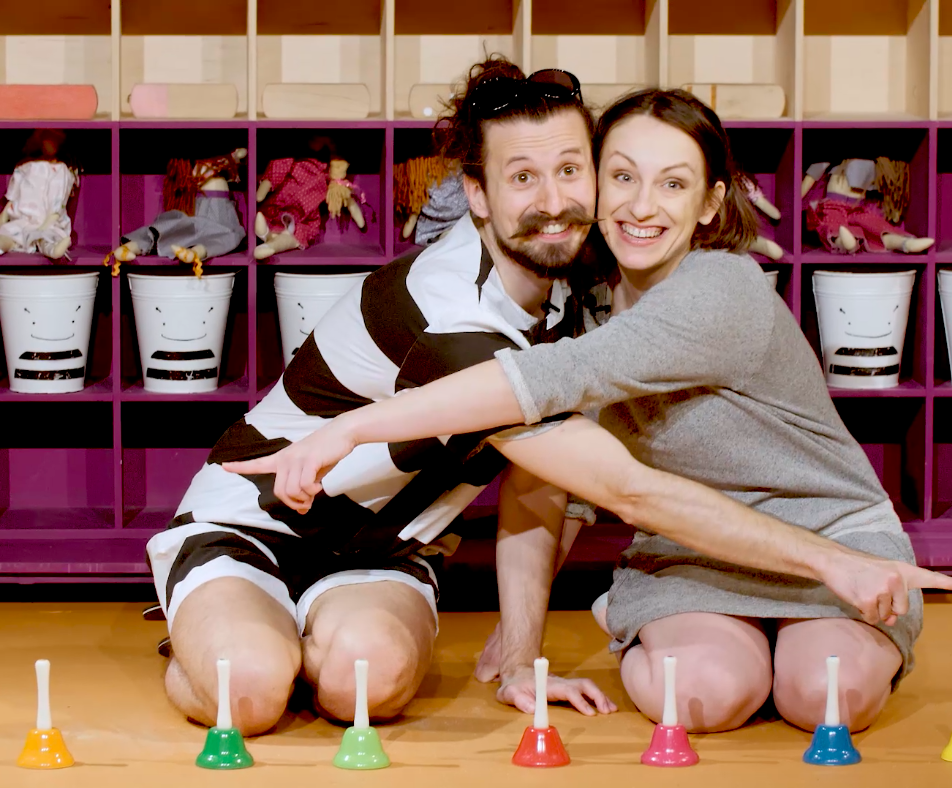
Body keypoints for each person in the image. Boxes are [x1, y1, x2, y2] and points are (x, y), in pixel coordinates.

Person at [231, 88, 952, 735]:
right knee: (707, 698)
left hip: (834, 540)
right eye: (622, 177)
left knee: (826, 697)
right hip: (690, 552)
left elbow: (545, 382)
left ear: (711, 203)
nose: (641, 207)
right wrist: (519, 645)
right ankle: (639, 614)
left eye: (673, 184)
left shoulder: (722, 289)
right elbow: (555, 481)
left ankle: (786, 637)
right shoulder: (580, 298)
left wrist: (352, 426)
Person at [144, 56, 619, 735]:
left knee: (364, 689)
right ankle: (224, 636)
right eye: (522, 177)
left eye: (570, 169)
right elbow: (602, 478)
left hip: (384, 550)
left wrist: (521, 656)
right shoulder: (451, 317)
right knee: (246, 690)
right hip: (253, 520)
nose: (553, 200)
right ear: (478, 194)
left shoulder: (570, 289)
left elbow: (536, 482)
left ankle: (286, 637)